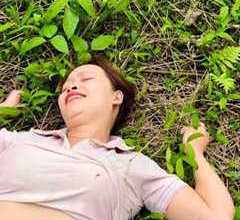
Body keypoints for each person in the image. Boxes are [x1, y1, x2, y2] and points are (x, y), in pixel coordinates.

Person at [0, 56, 234, 220]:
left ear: (116, 96)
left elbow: (216, 216)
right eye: (65, 88)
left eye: (86, 79)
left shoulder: (130, 166)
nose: (71, 86)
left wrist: (195, 152)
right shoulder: (20, 141)